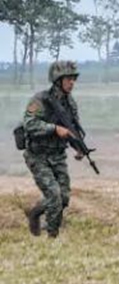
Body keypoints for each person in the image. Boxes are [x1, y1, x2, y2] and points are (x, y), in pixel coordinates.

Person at [21, 61, 85, 238]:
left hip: (58, 155)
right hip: (38, 155)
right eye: (68, 79)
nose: (72, 83)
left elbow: (72, 128)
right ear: (57, 80)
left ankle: (35, 212)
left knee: (63, 198)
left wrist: (78, 147)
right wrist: (54, 128)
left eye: (74, 79)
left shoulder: (70, 103)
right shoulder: (40, 100)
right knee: (54, 196)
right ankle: (52, 236)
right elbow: (30, 124)